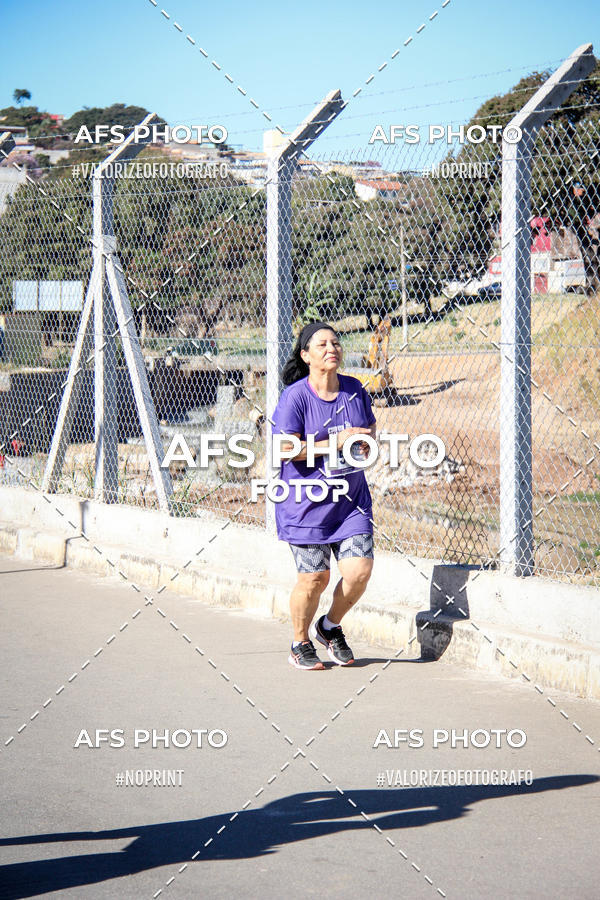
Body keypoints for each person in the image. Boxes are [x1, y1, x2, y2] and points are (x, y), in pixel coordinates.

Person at [270, 321, 377, 670]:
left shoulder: (354, 389)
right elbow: (285, 449)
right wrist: (337, 441)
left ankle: (328, 627)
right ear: (306, 355)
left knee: (359, 571)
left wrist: (363, 442)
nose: (332, 349)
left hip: (349, 502)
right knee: (315, 579)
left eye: (336, 343)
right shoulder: (296, 396)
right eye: (322, 345)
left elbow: (368, 428)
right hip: (305, 504)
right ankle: (299, 642)